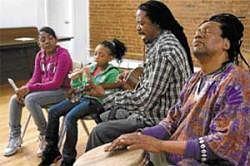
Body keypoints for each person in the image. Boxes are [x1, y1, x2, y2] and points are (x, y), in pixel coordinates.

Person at [105, 13, 250, 166]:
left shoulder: (237, 79)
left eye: (207, 31)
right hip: (175, 155)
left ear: (226, 44)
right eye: (197, 31)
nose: (198, 34)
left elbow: (223, 143)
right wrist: (140, 135)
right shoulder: (195, 79)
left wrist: (158, 145)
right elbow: (171, 120)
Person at [85, 0, 194, 151]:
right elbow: (153, 83)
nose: (138, 28)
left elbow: (146, 100)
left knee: (100, 131)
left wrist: (106, 97)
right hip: (152, 112)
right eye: (137, 23)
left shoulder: (164, 50)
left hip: (158, 120)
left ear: (157, 23)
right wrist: (132, 78)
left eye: (142, 24)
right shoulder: (161, 43)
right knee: (104, 115)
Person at [39, 39, 127, 166]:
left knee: (70, 117)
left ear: (110, 57)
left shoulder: (113, 72)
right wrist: (76, 78)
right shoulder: (92, 67)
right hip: (82, 98)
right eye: (96, 54)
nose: (97, 57)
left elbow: (100, 91)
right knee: (53, 111)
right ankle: (51, 150)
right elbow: (80, 86)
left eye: (101, 55)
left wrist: (89, 77)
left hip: (96, 102)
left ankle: (68, 159)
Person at [4, 27, 73, 157]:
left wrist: (30, 89)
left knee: (31, 99)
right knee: (15, 99)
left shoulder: (63, 55)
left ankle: (47, 136)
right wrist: (24, 88)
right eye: (43, 40)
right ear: (39, 43)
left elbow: (55, 83)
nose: (47, 42)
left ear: (56, 39)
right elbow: (35, 78)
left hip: (62, 91)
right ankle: (15, 137)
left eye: (50, 38)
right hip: (46, 91)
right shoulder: (39, 55)